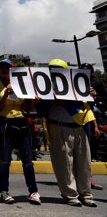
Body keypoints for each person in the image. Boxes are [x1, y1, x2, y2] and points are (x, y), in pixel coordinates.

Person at [38, 59, 98, 207]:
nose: (55, 72)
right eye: (52, 69)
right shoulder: (44, 87)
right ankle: (70, 195)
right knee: (64, 164)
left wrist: (92, 95)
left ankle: (86, 194)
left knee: (84, 163)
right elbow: (41, 108)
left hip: (79, 125)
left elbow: (87, 106)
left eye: (58, 69)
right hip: (59, 126)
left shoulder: (77, 84)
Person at [0, 59, 41, 205]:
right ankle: (4, 191)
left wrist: (34, 101)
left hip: (21, 122)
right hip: (5, 123)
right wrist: (5, 94)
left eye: (7, 68)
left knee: (28, 161)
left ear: (12, 69)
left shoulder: (22, 83)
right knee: (5, 161)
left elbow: (26, 109)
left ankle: (33, 192)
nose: (4, 71)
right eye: (2, 68)